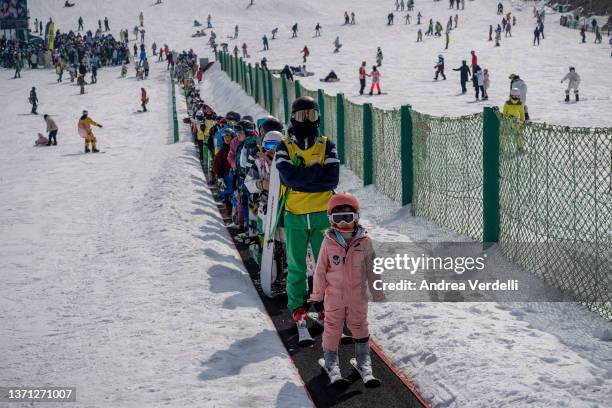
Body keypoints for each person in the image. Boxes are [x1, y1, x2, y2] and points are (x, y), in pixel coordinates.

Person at [275, 96, 340, 328]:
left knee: (327, 266)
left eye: (311, 115)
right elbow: (288, 178)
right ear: (293, 117)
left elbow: (332, 179)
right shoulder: (285, 145)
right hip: (295, 216)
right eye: (302, 116)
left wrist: (303, 178)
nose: (307, 120)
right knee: (297, 266)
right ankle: (298, 307)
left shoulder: (326, 144)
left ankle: (324, 306)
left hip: (323, 215)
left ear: (318, 116)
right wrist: (316, 172)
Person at [309, 192, 384, 382]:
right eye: (338, 218)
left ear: (356, 218)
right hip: (334, 297)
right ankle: (331, 363)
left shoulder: (365, 242)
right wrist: (317, 297)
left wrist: (377, 290)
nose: (343, 224)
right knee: (332, 328)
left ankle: (363, 362)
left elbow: (373, 269)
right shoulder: (328, 242)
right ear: (331, 220)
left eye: (348, 218)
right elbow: (320, 271)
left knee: (360, 326)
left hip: (358, 297)